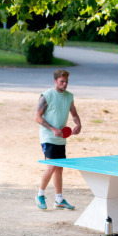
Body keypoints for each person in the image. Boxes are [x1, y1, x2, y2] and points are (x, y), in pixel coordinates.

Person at [34, 69, 82, 210]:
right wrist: (53, 129)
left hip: (61, 138)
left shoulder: (69, 96)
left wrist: (78, 124)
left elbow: (74, 114)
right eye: (62, 81)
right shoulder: (47, 96)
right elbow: (37, 117)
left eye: (66, 81)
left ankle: (59, 200)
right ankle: (40, 195)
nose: (65, 84)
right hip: (48, 137)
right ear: (55, 81)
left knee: (59, 169)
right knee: (51, 166)